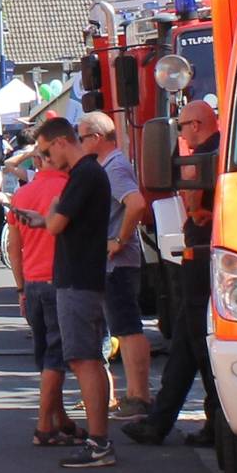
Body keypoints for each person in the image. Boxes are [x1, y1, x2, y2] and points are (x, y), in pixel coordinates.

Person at [127, 99, 219, 448]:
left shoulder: (205, 156)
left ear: (196, 125)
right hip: (204, 254)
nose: (180, 133)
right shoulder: (221, 149)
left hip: (202, 256)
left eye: (181, 126)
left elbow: (193, 203)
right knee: (185, 341)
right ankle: (160, 422)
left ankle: (218, 422)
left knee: (199, 341)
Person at [48, 113, 119, 469]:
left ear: (61, 142)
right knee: (86, 358)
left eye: (47, 152)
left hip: (78, 280)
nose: (47, 160)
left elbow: (56, 223)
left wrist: (49, 212)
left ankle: (99, 442)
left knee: (83, 359)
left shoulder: (84, 174)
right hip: (82, 277)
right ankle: (99, 440)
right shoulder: (89, 173)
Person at [11, 116, 78, 445]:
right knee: (58, 357)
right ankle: (44, 426)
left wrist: (20, 287)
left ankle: (60, 419)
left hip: (33, 281)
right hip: (61, 279)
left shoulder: (22, 194)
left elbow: (14, 246)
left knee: (46, 357)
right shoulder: (69, 189)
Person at [98, 119, 153, 418]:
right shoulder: (111, 166)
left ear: (97, 137)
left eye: (82, 137)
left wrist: (119, 239)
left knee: (128, 329)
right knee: (125, 327)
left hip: (118, 262)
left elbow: (136, 203)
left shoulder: (114, 168)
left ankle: (138, 396)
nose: (79, 143)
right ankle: (136, 395)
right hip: (117, 262)